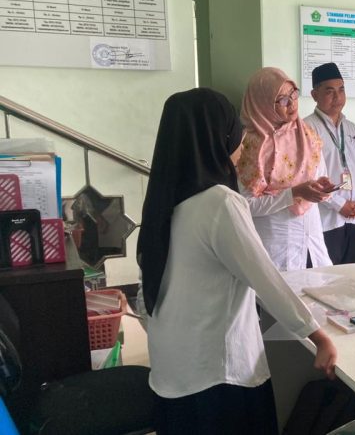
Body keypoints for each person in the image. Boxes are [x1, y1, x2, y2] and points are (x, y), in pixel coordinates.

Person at [137, 88, 337, 434]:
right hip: (218, 377)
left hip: (171, 371)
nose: (242, 144)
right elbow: (266, 280)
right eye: (235, 134)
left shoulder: (164, 199)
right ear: (215, 138)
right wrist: (318, 336)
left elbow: (147, 292)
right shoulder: (219, 203)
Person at [238, 67, 335, 270]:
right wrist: (293, 193)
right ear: (262, 102)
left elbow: (319, 177)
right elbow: (245, 205)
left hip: (312, 241)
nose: (292, 104)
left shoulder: (307, 135)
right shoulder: (250, 145)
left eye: (294, 94)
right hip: (275, 244)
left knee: (320, 286)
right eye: (282, 100)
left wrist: (322, 187)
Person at [305, 62, 355, 264]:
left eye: (341, 90)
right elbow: (308, 178)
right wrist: (339, 204)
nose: (337, 97)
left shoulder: (351, 128)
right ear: (314, 95)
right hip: (326, 222)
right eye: (330, 91)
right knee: (328, 278)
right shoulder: (307, 128)